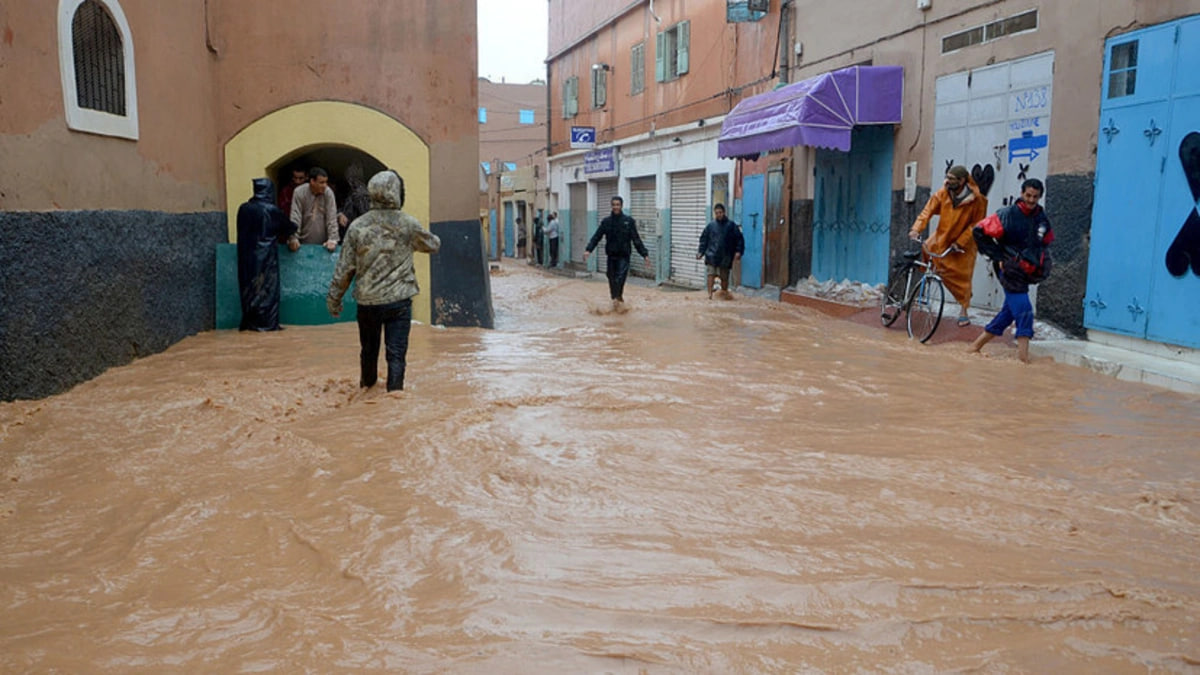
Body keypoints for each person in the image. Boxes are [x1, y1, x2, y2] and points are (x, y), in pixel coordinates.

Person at [328, 170, 441, 391]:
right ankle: (394, 398)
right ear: (396, 193)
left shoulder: (358, 226)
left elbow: (345, 269)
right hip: (399, 302)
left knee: (368, 352)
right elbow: (433, 245)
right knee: (396, 354)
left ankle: (366, 393)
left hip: (367, 302)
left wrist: (334, 299)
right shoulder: (408, 224)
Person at [969, 178, 1054, 364]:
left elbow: (1046, 241)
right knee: (1024, 311)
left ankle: (974, 347)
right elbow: (979, 231)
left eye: (1035, 197)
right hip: (1009, 270)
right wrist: (998, 256)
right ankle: (1024, 361)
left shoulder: (1041, 218)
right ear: (1022, 193)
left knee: (1008, 313)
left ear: (1040, 196)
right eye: (1028, 195)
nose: (1031, 200)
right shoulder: (1007, 215)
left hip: (1027, 272)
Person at [909, 165, 988, 327]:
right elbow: (927, 211)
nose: (948, 181)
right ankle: (926, 283)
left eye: (952, 179)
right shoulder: (943, 193)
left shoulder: (977, 199)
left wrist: (960, 242)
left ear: (962, 180)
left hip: (964, 242)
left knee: (962, 277)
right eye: (947, 177)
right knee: (927, 248)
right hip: (942, 237)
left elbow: (977, 223)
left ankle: (964, 310)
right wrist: (916, 229)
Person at [236, 178, 297, 331]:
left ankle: (250, 324)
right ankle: (267, 325)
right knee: (267, 291)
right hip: (266, 259)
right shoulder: (271, 210)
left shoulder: (244, 208)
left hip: (245, 258)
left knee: (249, 290)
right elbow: (289, 227)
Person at [584, 196, 651, 310]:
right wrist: (588, 250)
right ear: (611, 206)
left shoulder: (628, 222)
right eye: (614, 204)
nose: (615, 207)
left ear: (621, 206)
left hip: (624, 256)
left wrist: (644, 254)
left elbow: (636, 239)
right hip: (611, 256)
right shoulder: (606, 222)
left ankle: (617, 299)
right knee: (611, 277)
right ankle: (616, 300)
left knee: (620, 278)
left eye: (618, 204)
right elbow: (597, 236)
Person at [696, 203, 744, 300]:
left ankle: (724, 294)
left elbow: (739, 239)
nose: (719, 214)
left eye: (720, 212)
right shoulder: (710, 226)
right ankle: (709, 295)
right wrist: (701, 252)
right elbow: (704, 240)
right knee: (710, 275)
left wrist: (738, 251)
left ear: (724, 212)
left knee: (724, 277)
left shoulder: (731, 226)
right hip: (712, 255)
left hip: (725, 256)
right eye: (717, 213)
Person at [288, 167, 339, 252]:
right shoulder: (299, 192)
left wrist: (333, 239)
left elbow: (332, 216)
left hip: (323, 245)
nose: (325, 185)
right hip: (302, 244)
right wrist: (293, 238)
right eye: (321, 182)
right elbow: (295, 216)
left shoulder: (328, 193)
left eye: (326, 182)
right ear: (312, 181)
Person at [337, 162, 371, 243]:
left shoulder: (360, 194)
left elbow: (365, 215)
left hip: (356, 236)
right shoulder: (352, 191)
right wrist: (339, 214)